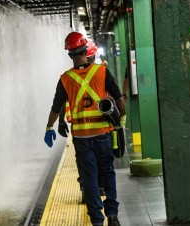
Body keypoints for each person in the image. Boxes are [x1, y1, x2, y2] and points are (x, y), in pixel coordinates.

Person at [44, 31, 126, 226]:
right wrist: (120, 121)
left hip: (81, 139)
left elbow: (56, 108)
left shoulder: (65, 79)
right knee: (107, 172)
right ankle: (112, 216)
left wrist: (50, 127)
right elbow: (120, 100)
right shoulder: (102, 71)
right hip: (103, 135)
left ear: (70, 54)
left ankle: (97, 221)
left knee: (89, 178)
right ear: (85, 50)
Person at [58, 39, 106, 199]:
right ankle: (96, 187)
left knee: (86, 163)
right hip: (98, 128)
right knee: (99, 161)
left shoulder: (70, 77)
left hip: (81, 130)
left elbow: (61, 101)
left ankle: (89, 189)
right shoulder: (100, 73)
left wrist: (59, 122)